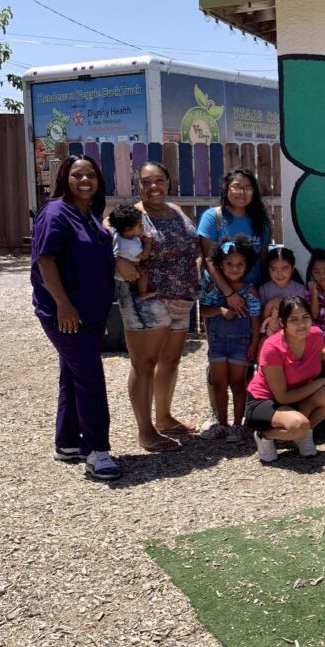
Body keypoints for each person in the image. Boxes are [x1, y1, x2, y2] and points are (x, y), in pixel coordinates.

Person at [32, 155, 120, 480]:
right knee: (91, 378)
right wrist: (63, 305)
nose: (85, 181)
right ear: (64, 179)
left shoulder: (91, 216)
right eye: (77, 175)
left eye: (91, 175)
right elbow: (45, 260)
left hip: (92, 314)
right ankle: (97, 452)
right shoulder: (55, 212)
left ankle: (67, 442)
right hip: (66, 316)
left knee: (72, 375)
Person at [114, 162, 201, 452]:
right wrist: (118, 261)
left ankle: (164, 418)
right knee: (145, 364)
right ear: (138, 186)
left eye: (159, 181)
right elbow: (103, 235)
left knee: (171, 361)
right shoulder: (132, 215)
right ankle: (146, 431)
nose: (154, 187)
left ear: (168, 182)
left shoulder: (175, 210)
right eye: (147, 182)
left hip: (181, 297)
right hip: (147, 299)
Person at [246, 297, 325, 463]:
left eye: (306, 317)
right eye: (294, 320)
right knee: (299, 425)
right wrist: (322, 381)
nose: (302, 324)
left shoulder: (314, 334)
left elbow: (317, 354)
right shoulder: (272, 347)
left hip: (297, 395)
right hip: (266, 401)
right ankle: (264, 435)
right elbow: (282, 397)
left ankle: (302, 436)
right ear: (282, 322)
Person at [199, 236, 262, 442]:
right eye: (229, 264)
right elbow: (203, 310)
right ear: (220, 265)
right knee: (219, 384)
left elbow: (255, 319)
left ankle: (238, 425)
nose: (235, 268)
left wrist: (253, 344)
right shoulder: (212, 288)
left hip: (240, 344)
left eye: (240, 264)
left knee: (238, 384)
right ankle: (222, 424)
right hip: (217, 343)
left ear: (247, 266)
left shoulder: (250, 290)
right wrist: (219, 309)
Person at [197, 168, 272, 314]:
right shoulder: (212, 217)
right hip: (219, 295)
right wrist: (229, 294)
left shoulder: (261, 222)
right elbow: (208, 260)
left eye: (247, 188)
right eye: (236, 186)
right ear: (226, 189)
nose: (242, 192)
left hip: (252, 294)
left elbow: (263, 262)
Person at [107, 204, 155, 300]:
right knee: (144, 272)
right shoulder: (129, 246)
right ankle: (143, 293)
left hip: (118, 269)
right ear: (128, 229)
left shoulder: (117, 233)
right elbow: (144, 256)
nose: (142, 227)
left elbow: (110, 227)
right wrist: (148, 242)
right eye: (140, 225)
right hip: (128, 272)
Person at [258, 247, 309, 336]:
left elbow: (304, 315)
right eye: (274, 269)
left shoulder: (300, 289)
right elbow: (262, 319)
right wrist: (271, 304)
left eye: (284, 268)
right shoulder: (264, 289)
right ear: (268, 269)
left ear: (292, 269)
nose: (279, 274)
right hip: (271, 334)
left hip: (294, 333)